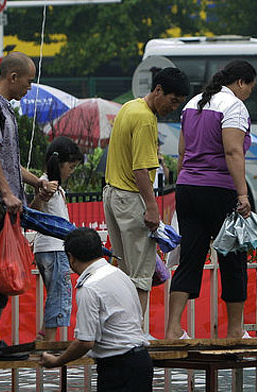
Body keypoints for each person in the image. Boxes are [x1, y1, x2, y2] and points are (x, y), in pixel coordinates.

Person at [39, 228, 153, 392]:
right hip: (131, 362)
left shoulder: (89, 287)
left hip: (122, 366)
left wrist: (57, 361)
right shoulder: (118, 275)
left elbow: (85, 341)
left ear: (70, 257)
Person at [0, 52, 56, 361]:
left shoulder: (3, 108)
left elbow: (8, 161)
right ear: (12, 77)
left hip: (5, 205)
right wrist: (7, 193)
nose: (29, 87)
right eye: (28, 81)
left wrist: (36, 182)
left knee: (0, 270)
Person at [165, 60, 256, 340]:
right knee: (233, 258)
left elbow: (182, 153)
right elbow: (232, 152)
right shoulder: (234, 107)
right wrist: (242, 193)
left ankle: (173, 329)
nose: (249, 93)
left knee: (190, 258)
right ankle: (235, 330)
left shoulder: (192, 103)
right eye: (250, 87)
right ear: (240, 82)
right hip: (219, 190)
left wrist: (182, 185)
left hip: (188, 189)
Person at [103, 67, 189, 323]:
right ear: (158, 90)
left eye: (178, 103)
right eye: (172, 100)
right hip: (130, 199)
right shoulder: (145, 119)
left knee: (124, 272)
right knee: (141, 277)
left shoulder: (129, 107)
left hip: (113, 195)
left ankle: (120, 331)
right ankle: (133, 334)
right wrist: (152, 208)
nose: (173, 107)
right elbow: (140, 169)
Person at [31, 137, 83, 341]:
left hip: (47, 249)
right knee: (59, 296)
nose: (71, 171)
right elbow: (34, 210)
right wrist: (42, 195)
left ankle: (44, 335)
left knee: (55, 294)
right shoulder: (46, 185)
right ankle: (49, 342)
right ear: (59, 163)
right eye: (71, 166)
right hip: (54, 248)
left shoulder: (53, 186)